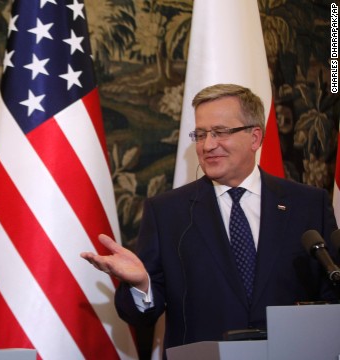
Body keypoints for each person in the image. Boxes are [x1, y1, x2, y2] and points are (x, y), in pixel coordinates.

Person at [81, 84, 338, 354]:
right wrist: (140, 284)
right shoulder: (167, 212)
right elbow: (141, 317)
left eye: (220, 132)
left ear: (255, 137)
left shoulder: (308, 204)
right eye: (201, 134)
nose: (207, 145)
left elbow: (331, 294)